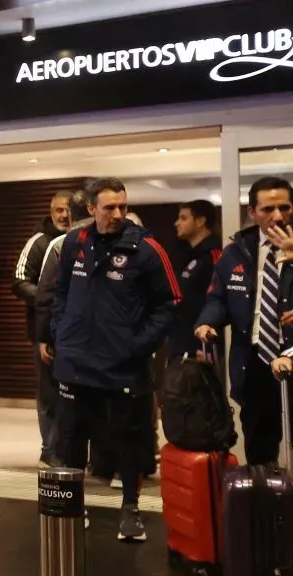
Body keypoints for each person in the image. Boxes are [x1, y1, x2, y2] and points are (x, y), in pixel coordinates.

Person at [51, 178, 180, 542]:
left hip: (123, 366)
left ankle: (130, 509)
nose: (118, 214)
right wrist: (61, 331)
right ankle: (75, 506)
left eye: (123, 206)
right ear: (91, 209)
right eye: (109, 208)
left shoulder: (147, 249)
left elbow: (169, 303)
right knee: (72, 439)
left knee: (128, 440)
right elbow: (60, 292)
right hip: (76, 362)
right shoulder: (74, 243)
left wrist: (139, 346)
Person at [196, 177, 293, 466]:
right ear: (252, 212)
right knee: (259, 444)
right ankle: (265, 504)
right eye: (267, 209)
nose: (277, 216)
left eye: (285, 207)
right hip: (254, 358)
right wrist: (207, 322)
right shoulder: (237, 250)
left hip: (290, 353)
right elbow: (218, 297)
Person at [12, 191, 73, 466]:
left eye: (67, 210)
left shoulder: (80, 241)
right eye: (58, 210)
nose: (63, 215)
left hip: (74, 334)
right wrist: (49, 299)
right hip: (45, 332)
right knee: (49, 393)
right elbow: (19, 281)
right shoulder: (38, 243)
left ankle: (70, 449)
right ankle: (49, 450)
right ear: (51, 212)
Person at [168, 200, 222, 358]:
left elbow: (219, 300)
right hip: (181, 343)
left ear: (200, 221)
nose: (177, 223)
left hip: (202, 347)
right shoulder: (186, 254)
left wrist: (210, 348)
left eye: (184, 218)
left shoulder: (214, 254)